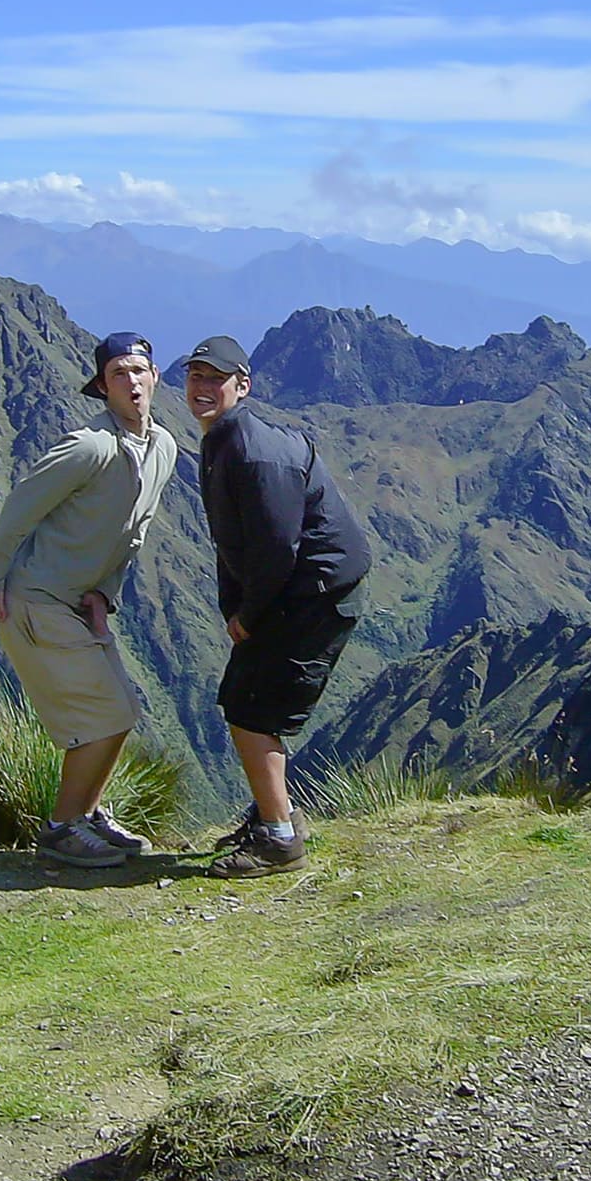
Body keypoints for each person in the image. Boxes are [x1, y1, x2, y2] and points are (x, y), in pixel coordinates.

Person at [0, 332, 178, 868]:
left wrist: (104, 594)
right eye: (118, 374)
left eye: (138, 371)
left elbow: (134, 532)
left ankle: (87, 815)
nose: (131, 382)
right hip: (35, 600)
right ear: (103, 387)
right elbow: (20, 509)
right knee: (105, 715)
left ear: (155, 378)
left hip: (77, 602)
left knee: (123, 711)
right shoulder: (89, 447)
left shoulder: (162, 448)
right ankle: (62, 829)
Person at [184, 334, 371, 878]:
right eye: (195, 376)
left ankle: (280, 838)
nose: (202, 386)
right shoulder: (224, 439)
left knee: (252, 712)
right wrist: (234, 607)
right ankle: (276, 813)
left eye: (216, 378)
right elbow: (233, 540)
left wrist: (248, 616)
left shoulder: (254, 452)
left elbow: (274, 550)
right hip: (296, 591)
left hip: (313, 594)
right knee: (245, 701)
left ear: (242, 386)